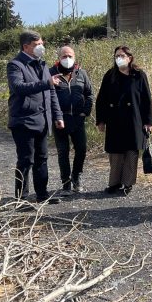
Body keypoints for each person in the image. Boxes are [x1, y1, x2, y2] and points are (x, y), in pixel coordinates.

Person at [7, 30, 64, 203]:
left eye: (41, 44)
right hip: (24, 121)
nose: (41, 47)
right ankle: (22, 199)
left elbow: (51, 93)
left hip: (43, 120)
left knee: (42, 159)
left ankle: (42, 195)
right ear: (26, 46)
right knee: (25, 160)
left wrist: (57, 115)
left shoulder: (42, 64)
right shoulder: (15, 65)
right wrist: (46, 83)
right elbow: (18, 87)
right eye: (37, 45)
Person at [95, 46, 152, 195]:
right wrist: (100, 120)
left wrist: (149, 121)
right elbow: (101, 99)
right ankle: (114, 183)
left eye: (122, 55)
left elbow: (147, 99)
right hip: (114, 119)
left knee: (131, 153)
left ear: (130, 57)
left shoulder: (139, 75)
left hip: (134, 120)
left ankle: (127, 184)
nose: (119, 58)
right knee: (115, 153)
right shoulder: (110, 75)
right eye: (116, 56)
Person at [50, 45, 93, 193]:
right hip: (60, 119)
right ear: (58, 58)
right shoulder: (51, 74)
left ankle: (76, 177)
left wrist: (85, 112)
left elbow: (89, 94)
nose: (67, 59)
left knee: (81, 149)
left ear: (74, 57)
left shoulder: (81, 74)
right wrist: (55, 116)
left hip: (78, 119)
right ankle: (66, 183)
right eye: (64, 56)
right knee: (63, 151)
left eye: (70, 56)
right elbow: (47, 96)